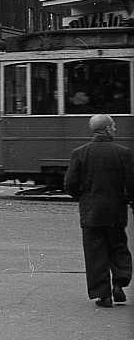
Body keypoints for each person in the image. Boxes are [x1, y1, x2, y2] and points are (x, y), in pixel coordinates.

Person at [63, 114, 134, 307]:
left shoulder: (80, 152)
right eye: (114, 126)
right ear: (108, 129)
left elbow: (70, 184)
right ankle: (119, 283)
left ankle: (103, 294)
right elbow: (131, 184)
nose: (116, 129)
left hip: (91, 212)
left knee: (95, 252)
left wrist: (83, 198)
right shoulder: (124, 152)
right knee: (119, 246)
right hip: (116, 211)